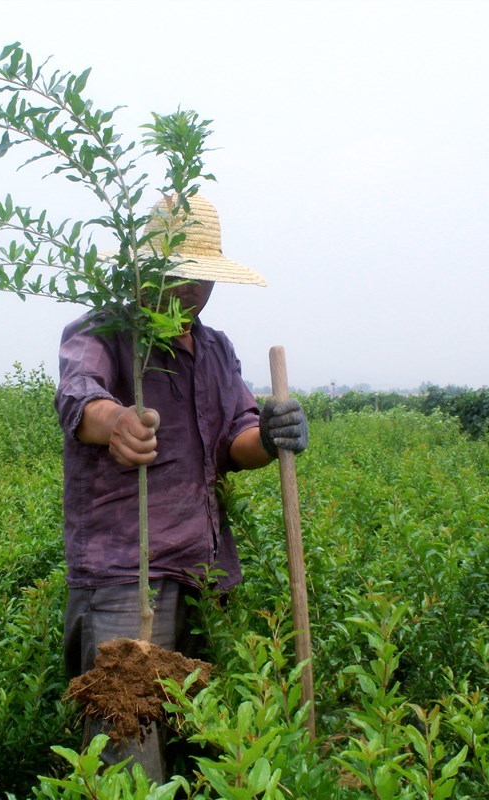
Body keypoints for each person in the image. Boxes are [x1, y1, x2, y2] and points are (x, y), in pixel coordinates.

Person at [54, 195, 308, 781]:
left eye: (201, 278)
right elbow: (80, 399)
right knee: (127, 756)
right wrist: (115, 422)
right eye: (177, 275)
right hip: (126, 577)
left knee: (207, 747)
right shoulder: (104, 332)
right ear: (146, 269)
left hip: (207, 572)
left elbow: (236, 442)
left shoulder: (216, 349)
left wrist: (270, 434)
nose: (189, 291)